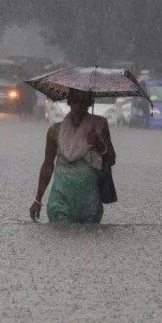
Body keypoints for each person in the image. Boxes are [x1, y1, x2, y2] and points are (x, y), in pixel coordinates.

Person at [31, 88, 116, 223]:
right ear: (69, 102)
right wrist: (38, 199)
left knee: (88, 239)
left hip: (90, 203)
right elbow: (48, 165)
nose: (79, 106)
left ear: (89, 102)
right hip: (60, 201)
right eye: (75, 101)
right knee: (60, 237)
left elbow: (111, 159)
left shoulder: (99, 127)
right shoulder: (54, 131)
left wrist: (98, 144)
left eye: (83, 101)